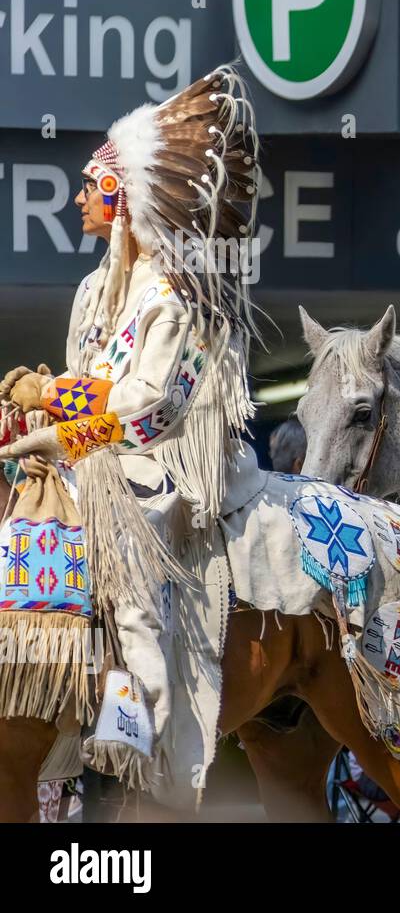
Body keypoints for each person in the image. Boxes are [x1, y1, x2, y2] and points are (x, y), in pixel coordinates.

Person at [0, 65, 265, 789]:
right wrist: (34, 412)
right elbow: (85, 386)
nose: (80, 197)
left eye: (90, 186)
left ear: (118, 198)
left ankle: (139, 736)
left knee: (132, 596)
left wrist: (64, 419)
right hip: (93, 460)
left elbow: (151, 407)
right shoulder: (97, 291)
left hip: (152, 473)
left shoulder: (177, 296)